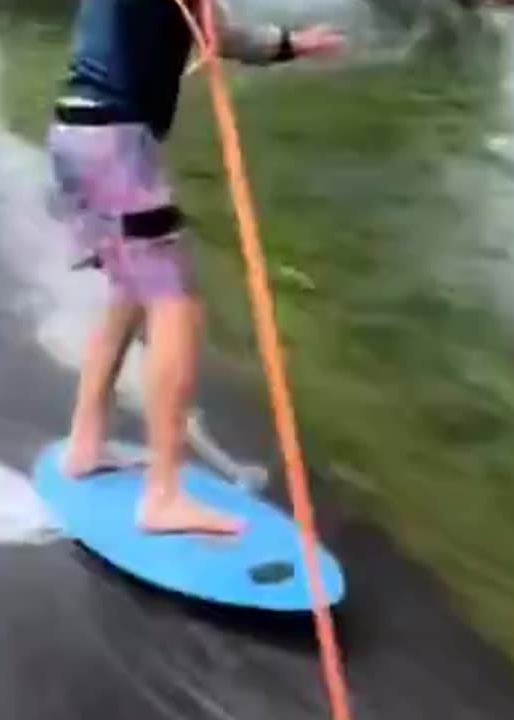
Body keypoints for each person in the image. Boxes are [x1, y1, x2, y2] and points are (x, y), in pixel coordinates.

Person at [46, 0, 344, 535]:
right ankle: (162, 496)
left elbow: (215, 34)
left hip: (79, 135)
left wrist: (292, 44)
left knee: (130, 293)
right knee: (175, 304)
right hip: (114, 143)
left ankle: (85, 445)